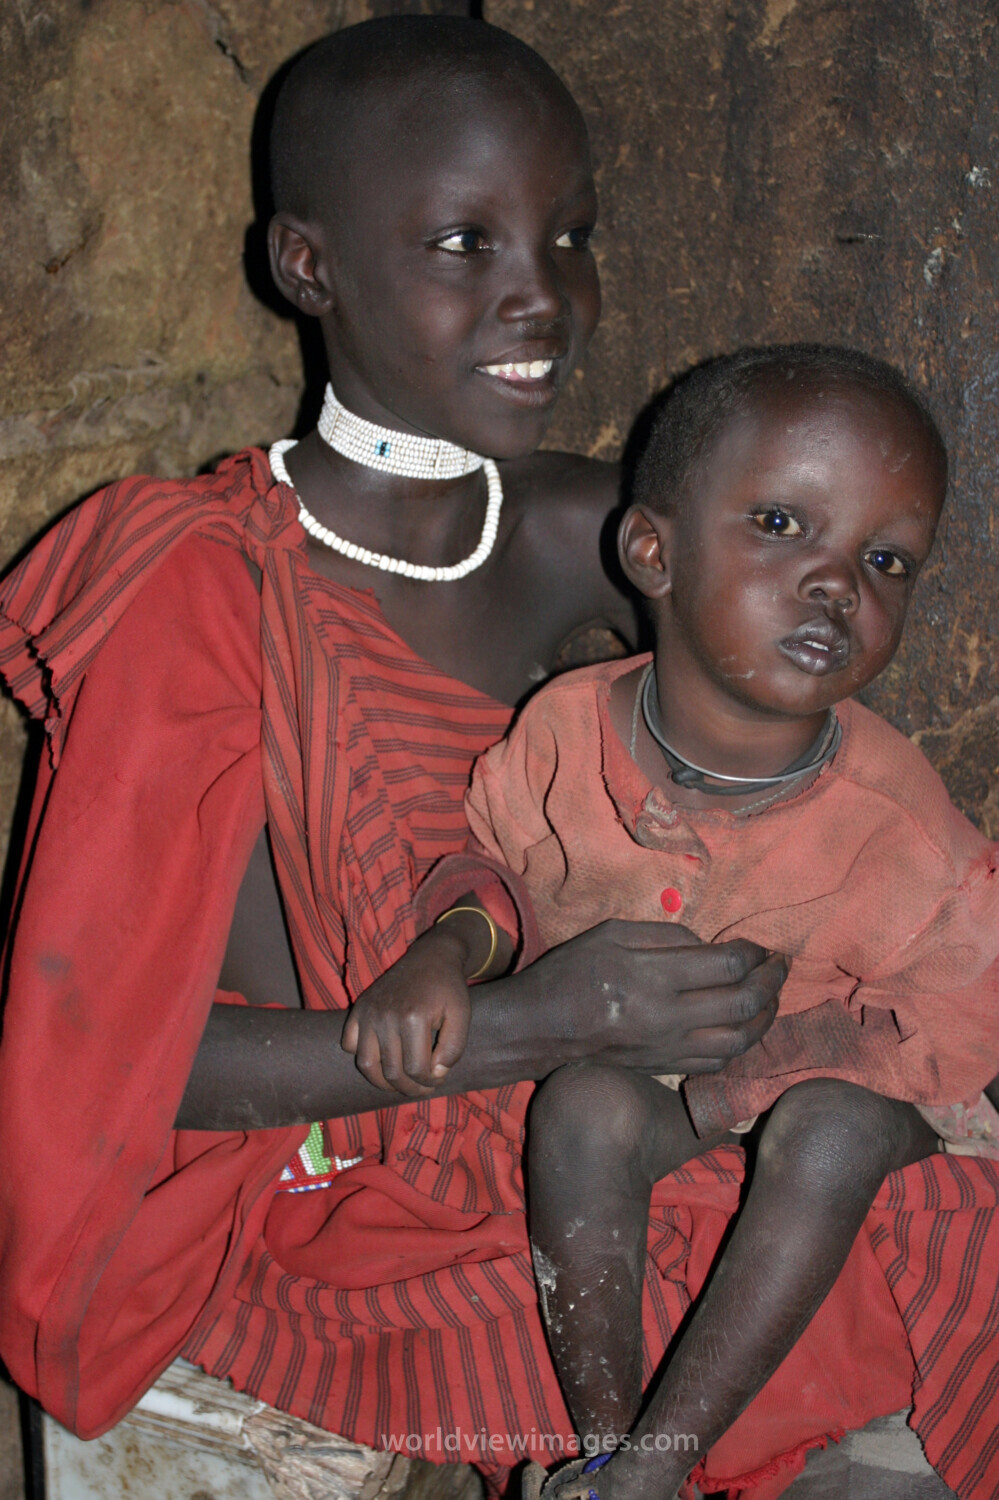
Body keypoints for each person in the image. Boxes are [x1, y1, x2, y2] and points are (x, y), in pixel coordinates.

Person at [0, 16, 786, 1493]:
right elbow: (121, 1069)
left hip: (575, 1134)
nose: (541, 297)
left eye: (567, 237)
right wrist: (535, 1023)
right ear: (309, 267)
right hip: (306, 1185)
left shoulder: (600, 534)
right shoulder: (199, 587)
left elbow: (800, 777)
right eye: (463, 244)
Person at [347, 346, 999, 1498]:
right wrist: (445, 953)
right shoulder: (563, 733)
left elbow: (954, 1028)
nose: (837, 583)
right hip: (645, 1086)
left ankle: (658, 1465)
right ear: (654, 551)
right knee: (582, 1107)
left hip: (839, 1103)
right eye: (783, 524)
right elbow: (495, 867)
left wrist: (748, 1081)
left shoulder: (896, 824)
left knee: (831, 1130)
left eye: (885, 559)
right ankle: (606, 1455)